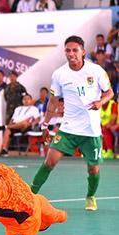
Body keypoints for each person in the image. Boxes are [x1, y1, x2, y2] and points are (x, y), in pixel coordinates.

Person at [30, 35, 114, 211]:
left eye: (75, 50)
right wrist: (45, 125)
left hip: (91, 132)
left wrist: (100, 102)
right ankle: (30, 194)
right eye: (67, 50)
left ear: (83, 52)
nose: (71, 54)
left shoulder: (96, 71)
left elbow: (110, 93)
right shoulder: (59, 74)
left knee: (93, 170)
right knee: (49, 161)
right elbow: (53, 101)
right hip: (68, 129)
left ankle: (90, 196)